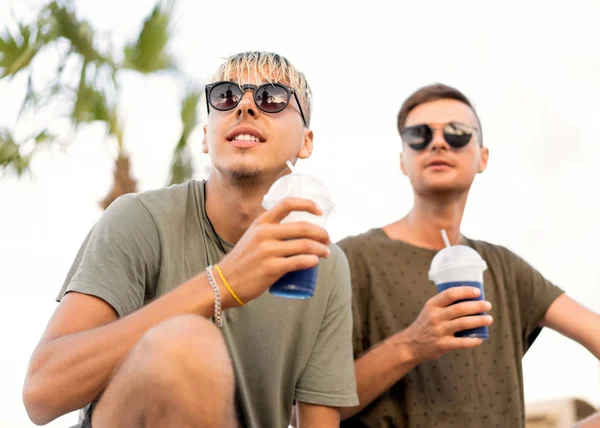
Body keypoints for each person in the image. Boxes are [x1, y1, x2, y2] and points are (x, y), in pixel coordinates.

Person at [22, 51, 358, 428]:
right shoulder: (142, 219)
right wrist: (220, 284)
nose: (245, 106)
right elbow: (41, 394)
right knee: (185, 344)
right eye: (226, 96)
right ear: (205, 137)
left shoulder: (324, 263)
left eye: (272, 97)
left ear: (306, 142)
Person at [337, 83, 600, 427]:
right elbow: (308, 408)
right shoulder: (350, 259)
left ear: (482, 157)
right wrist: (412, 345)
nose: (438, 142)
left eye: (458, 133)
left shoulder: (505, 268)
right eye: (419, 134)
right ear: (403, 159)